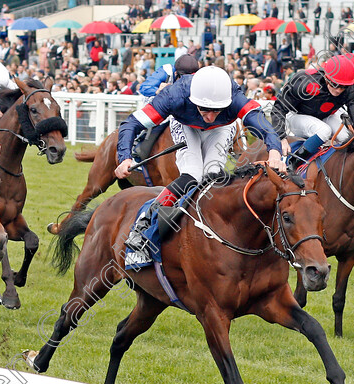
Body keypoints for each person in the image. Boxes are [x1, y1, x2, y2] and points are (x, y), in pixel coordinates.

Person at [116, 66, 285, 250]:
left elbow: (263, 124)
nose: (210, 117)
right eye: (205, 109)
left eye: (217, 110)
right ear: (192, 100)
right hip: (185, 125)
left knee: (213, 176)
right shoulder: (175, 95)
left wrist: (274, 151)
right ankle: (145, 223)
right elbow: (131, 124)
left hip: (222, 128)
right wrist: (124, 157)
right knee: (193, 175)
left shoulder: (234, 97)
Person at [270, 55, 354, 169]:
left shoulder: (350, 87)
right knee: (324, 130)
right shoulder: (303, 81)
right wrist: (281, 138)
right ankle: (292, 164)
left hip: (326, 115)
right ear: (327, 78)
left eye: (343, 87)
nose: (338, 90)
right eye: (335, 84)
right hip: (296, 115)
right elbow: (278, 109)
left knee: (346, 138)